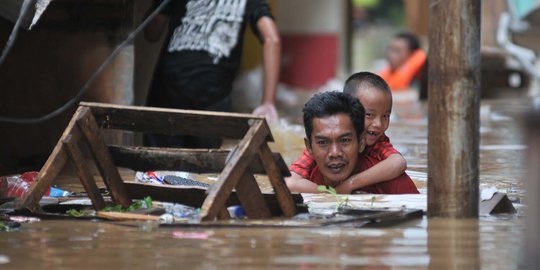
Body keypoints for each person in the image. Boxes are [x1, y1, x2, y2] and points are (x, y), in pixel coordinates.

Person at [143, 0, 280, 148]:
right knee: (196, 164)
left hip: (192, 90)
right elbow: (151, 33)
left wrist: (268, 102)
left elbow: (271, 39)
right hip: (179, 91)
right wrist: (268, 102)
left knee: (166, 163)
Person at [287, 72, 418, 194]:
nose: (378, 124)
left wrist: (351, 184)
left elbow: (398, 163)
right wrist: (330, 193)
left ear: (360, 141)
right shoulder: (315, 154)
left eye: (385, 116)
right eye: (369, 114)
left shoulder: (379, 146)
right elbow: (289, 181)